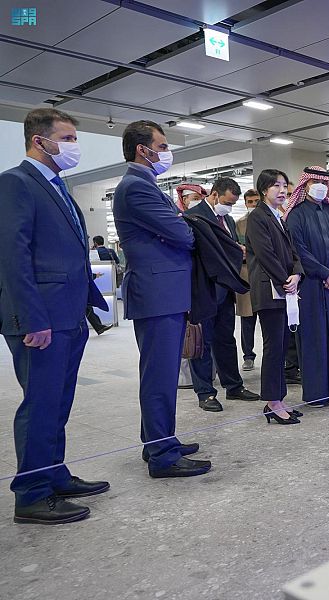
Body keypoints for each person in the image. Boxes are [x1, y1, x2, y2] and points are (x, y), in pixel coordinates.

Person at [0, 108, 110, 524]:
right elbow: (13, 256)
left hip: (68, 313)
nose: (74, 146)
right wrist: (33, 318)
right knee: (41, 404)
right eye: (67, 138)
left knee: (58, 402)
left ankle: (53, 475)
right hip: (41, 318)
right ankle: (31, 494)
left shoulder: (56, 185)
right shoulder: (16, 182)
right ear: (39, 140)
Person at [113, 120, 209, 478]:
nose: (167, 152)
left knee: (162, 374)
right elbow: (184, 235)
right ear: (143, 149)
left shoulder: (144, 185)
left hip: (164, 292)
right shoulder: (136, 187)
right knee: (159, 375)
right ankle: (162, 455)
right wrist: (184, 225)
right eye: (163, 146)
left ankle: (157, 439)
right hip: (157, 294)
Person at [185, 178, 260, 411]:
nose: (229, 207)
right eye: (227, 202)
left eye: (233, 204)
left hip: (225, 289)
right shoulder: (193, 217)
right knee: (203, 342)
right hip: (203, 288)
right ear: (215, 194)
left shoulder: (227, 219)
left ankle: (233, 386)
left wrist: (238, 250)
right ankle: (205, 392)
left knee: (226, 339)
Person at [284, 166, 329, 407]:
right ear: (305, 185)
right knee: (313, 337)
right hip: (311, 285)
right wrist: (326, 274)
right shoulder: (296, 215)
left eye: (324, 182)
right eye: (315, 182)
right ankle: (316, 393)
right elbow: (299, 251)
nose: (321, 186)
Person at [245, 169, 302, 425]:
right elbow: (265, 254)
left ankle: (279, 399)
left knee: (281, 347)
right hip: (269, 290)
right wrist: (285, 280)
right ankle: (272, 401)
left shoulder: (279, 216)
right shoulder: (258, 217)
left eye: (284, 185)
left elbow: (293, 252)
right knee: (273, 347)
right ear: (263, 189)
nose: (282, 190)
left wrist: (297, 275)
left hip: (284, 288)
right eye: (276, 185)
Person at [235, 189, 259, 370]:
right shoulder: (239, 224)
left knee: (270, 319)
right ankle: (248, 355)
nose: (253, 205)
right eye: (250, 202)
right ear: (245, 203)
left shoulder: (271, 220)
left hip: (265, 275)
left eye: (256, 201)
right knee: (247, 319)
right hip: (246, 275)